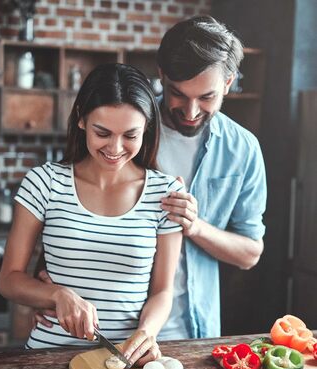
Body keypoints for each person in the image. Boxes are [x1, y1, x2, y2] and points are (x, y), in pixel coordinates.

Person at [34, 15, 267, 341]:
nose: (190, 111)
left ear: (228, 83)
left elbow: (250, 252)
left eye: (206, 98)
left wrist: (194, 226)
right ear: (161, 76)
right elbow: (71, 204)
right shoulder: (124, 128)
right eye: (178, 94)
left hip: (190, 329)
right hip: (103, 331)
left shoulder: (242, 149)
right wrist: (46, 288)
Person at [0, 63, 184, 366]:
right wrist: (57, 295)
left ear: (147, 128)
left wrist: (147, 333)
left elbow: (163, 291)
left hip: (125, 359)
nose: (115, 147)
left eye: (130, 135)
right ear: (82, 118)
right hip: (49, 358)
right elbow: (9, 280)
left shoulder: (165, 194)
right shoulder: (44, 183)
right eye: (103, 132)